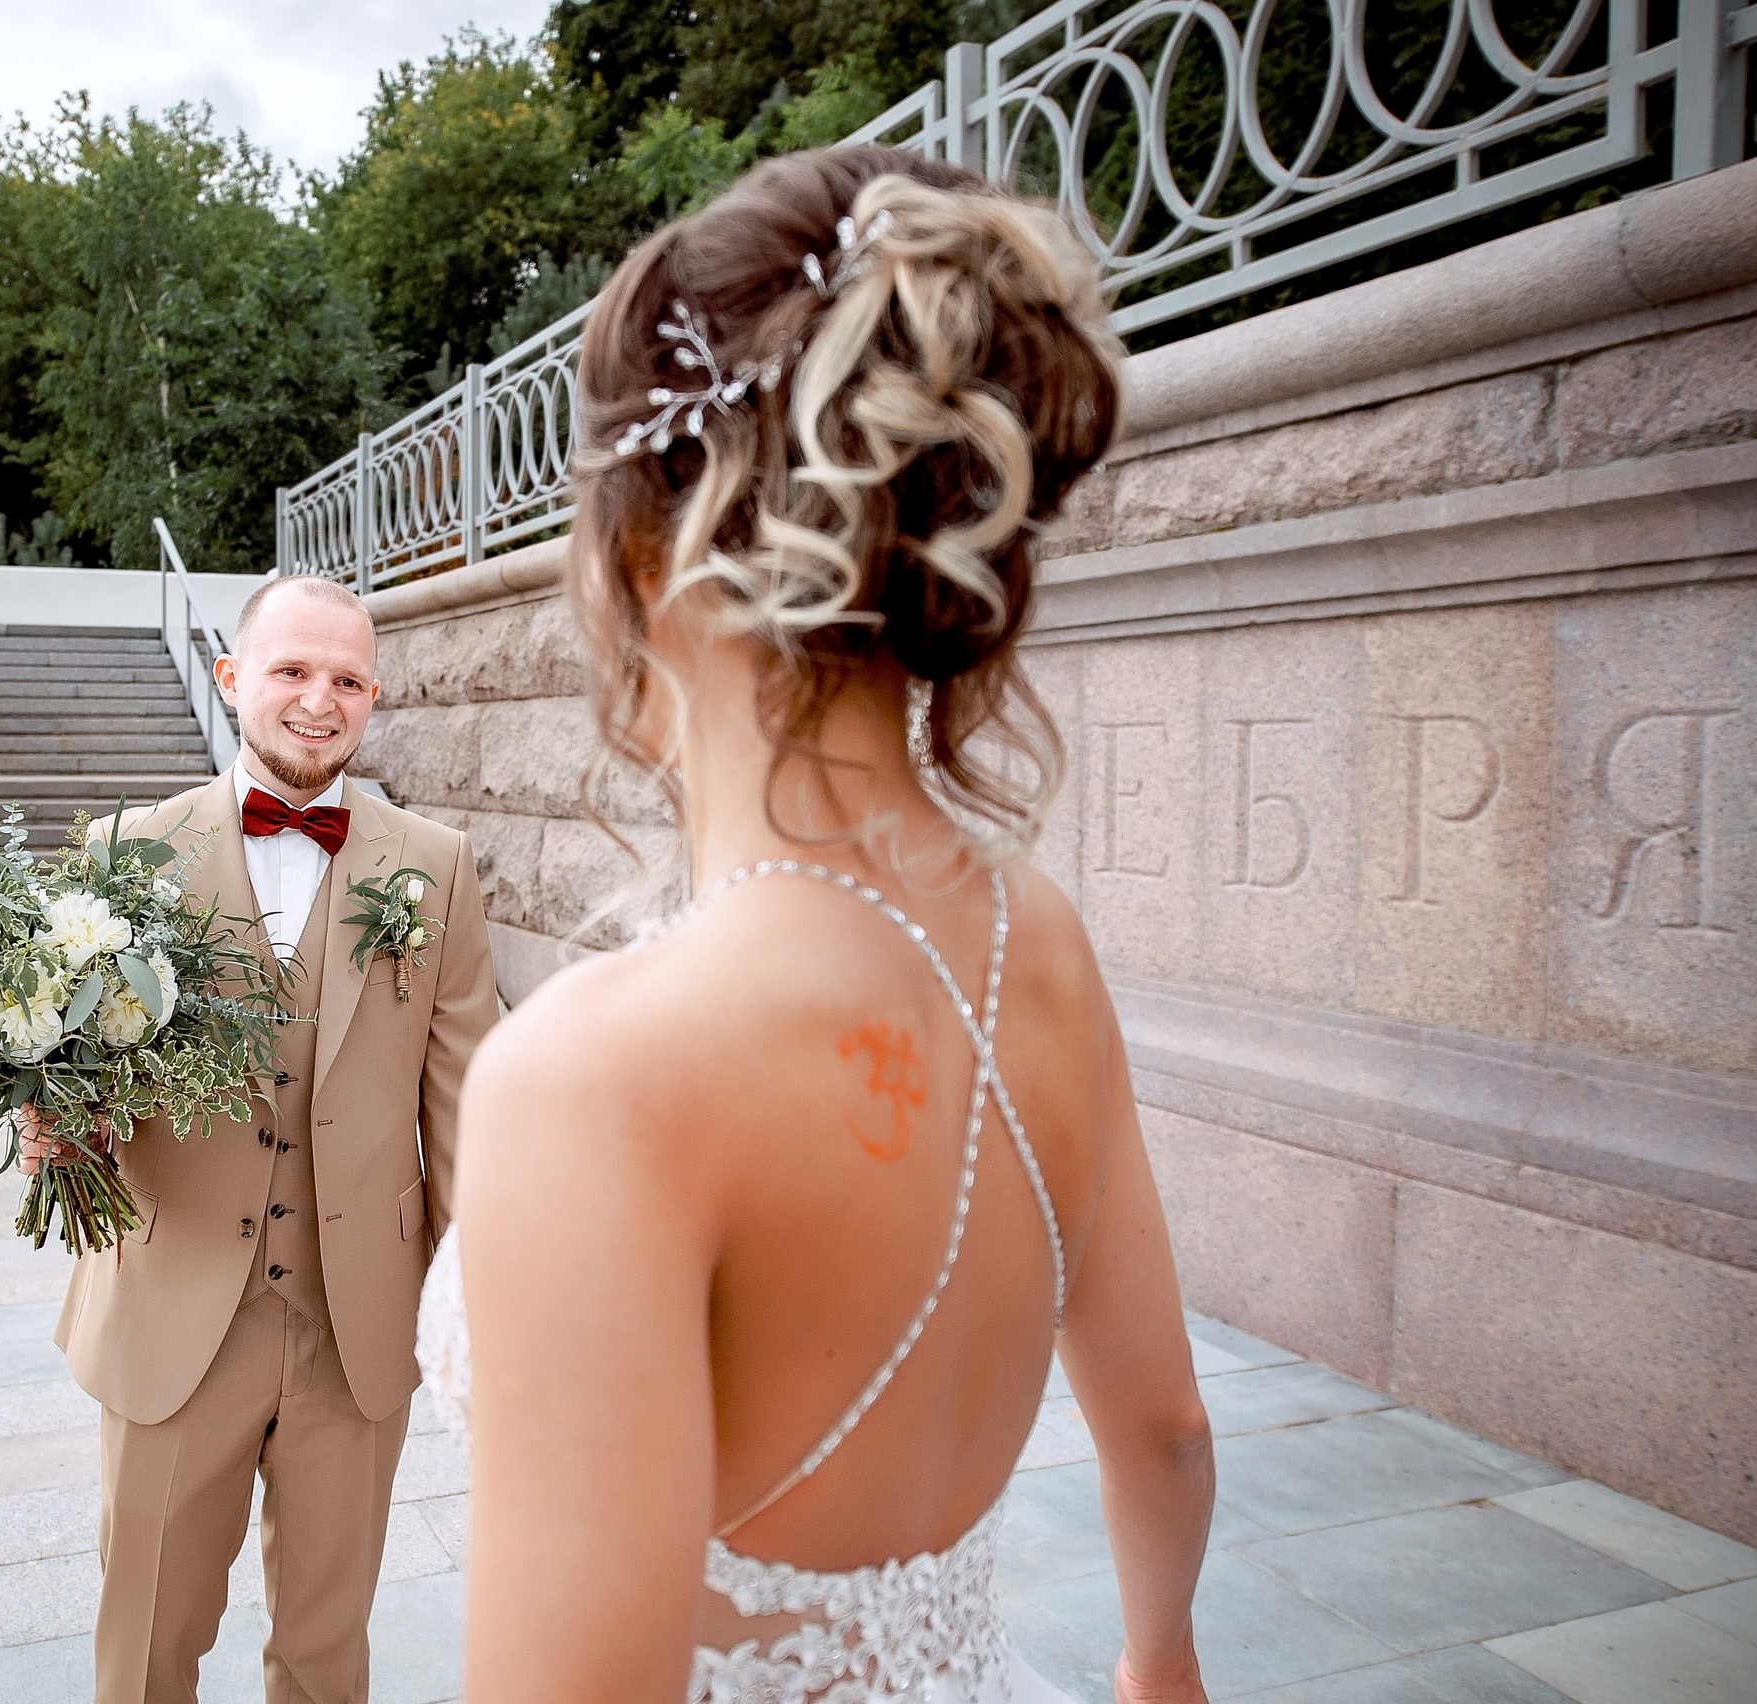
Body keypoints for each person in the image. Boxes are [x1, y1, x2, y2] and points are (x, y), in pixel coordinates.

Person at [417, 148, 1217, 1703]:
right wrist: (1158, 1661)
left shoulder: (594, 1079)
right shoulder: (1035, 938)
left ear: (640, 553)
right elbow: (1168, 1427)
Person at [40, 575, 500, 1703]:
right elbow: (66, 1066)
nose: (317, 699)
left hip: (356, 1324)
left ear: (372, 698)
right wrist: (52, 1115)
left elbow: (469, 1102)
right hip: (175, 1314)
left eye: (346, 679)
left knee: (325, 1655)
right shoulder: (123, 854)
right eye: (291, 670)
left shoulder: (432, 865)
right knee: (148, 1646)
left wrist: (475, 1299)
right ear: (233, 677)